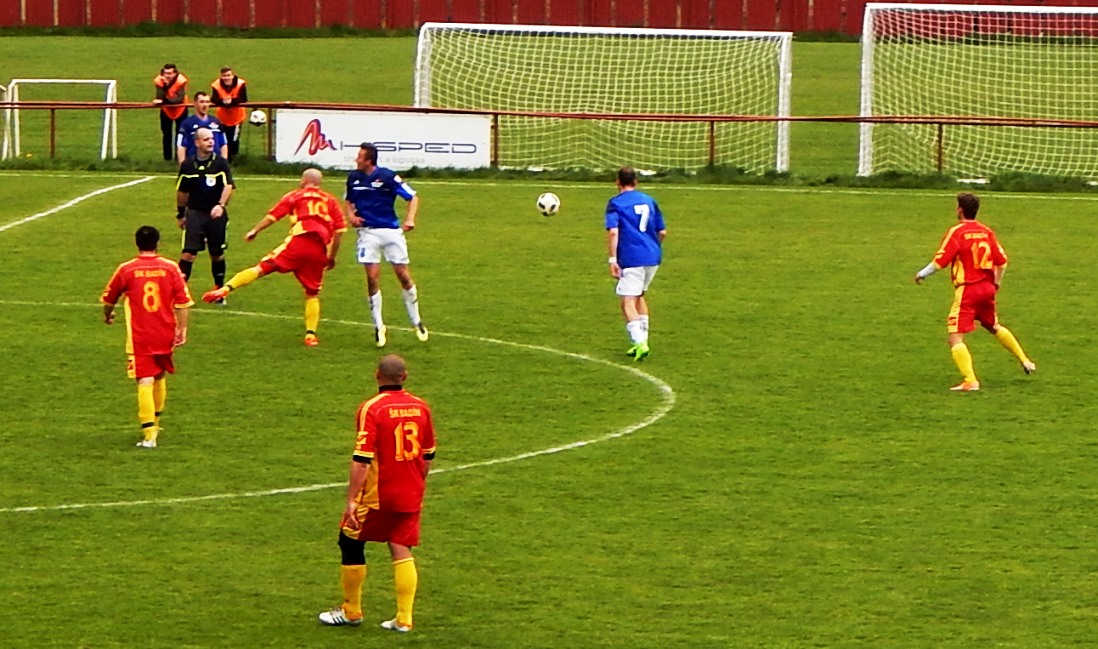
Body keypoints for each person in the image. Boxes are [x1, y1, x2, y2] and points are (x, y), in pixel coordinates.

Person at [318, 354, 436, 633]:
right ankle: (404, 618)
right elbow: (428, 454)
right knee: (400, 545)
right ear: (405, 376)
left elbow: (362, 459)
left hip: (378, 493)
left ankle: (351, 611)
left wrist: (351, 499)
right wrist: (416, 482)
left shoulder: (372, 408)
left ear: (376, 375)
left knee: (349, 541)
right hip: (411, 490)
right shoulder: (420, 406)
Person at [202, 169, 346, 347]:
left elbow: (273, 217)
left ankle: (225, 289)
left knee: (261, 268)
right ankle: (311, 335)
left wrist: (255, 230)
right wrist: (331, 257)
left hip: (299, 242)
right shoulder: (330, 200)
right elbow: (339, 231)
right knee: (312, 293)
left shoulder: (294, 196)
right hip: (319, 249)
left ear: (304, 180)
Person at [914, 192, 1036, 391]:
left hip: (968, 290)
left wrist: (922, 273)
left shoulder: (957, 232)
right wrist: (996, 284)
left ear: (960, 210)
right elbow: (1002, 262)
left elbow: (940, 261)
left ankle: (970, 380)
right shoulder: (986, 231)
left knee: (955, 336)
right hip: (987, 288)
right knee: (993, 325)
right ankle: (1025, 360)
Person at [101, 225, 193, 448]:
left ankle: (149, 435)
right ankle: (156, 424)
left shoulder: (126, 269)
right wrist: (182, 329)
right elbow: (183, 302)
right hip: (165, 332)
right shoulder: (170, 267)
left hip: (140, 336)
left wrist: (108, 315)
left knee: (144, 379)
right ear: (157, 243)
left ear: (136, 243)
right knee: (159, 375)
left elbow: (109, 298)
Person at [345, 143, 429, 348]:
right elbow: (348, 200)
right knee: (372, 278)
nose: (356, 160)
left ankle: (416, 320)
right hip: (367, 233)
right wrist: (351, 216)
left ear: (369, 161)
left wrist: (410, 219)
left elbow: (413, 197)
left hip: (391, 232)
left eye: (360, 157)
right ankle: (379, 325)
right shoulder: (353, 178)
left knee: (403, 276)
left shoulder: (388, 177)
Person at [606, 166, 666, 362]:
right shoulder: (649, 200)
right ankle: (642, 341)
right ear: (636, 181)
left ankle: (640, 342)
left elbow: (613, 232)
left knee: (627, 303)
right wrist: (653, 247)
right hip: (653, 257)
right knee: (639, 296)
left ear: (617, 182)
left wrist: (613, 259)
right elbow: (662, 232)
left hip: (632, 258)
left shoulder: (615, 203)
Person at [176, 127, 234, 299]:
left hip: (215, 215)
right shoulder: (187, 165)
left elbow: (228, 186)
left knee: (216, 254)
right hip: (194, 214)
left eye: (212, 139)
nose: (211, 142)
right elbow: (182, 192)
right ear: (197, 142)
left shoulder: (220, 163)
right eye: (206, 139)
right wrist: (181, 214)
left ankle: (219, 290)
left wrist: (220, 205)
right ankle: (179, 293)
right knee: (188, 254)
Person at [176, 92, 228, 164]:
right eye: (202, 102)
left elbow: (223, 144)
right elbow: (181, 146)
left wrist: (223, 163)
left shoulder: (216, 122)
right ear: (195, 103)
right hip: (194, 163)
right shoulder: (187, 124)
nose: (205, 105)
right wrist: (183, 165)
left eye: (207, 102)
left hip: (214, 163)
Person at [210, 66, 248, 161]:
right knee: (223, 138)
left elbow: (244, 98)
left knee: (234, 139)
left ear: (232, 75)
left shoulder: (240, 84)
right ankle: (224, 158)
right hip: (222, 117)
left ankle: (233, 158)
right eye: (224, 76)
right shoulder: (216, 85)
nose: (226, 78)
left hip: (237, 117)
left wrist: (232, 101)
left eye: (228, 75)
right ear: (221, 76)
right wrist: (223, 101)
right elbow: (213, 99)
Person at [153, 63, 189, 162]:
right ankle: (167, 159)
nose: (167, 76)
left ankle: (179, 158)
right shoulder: (159, 81)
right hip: (166, 110)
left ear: (175, 74)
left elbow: (179, 99)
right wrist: (165, 86)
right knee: (166, 134)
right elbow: (159, 96)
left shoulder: (181, 81)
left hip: (180, 109)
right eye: (165, 73)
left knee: (180, 134)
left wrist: (165, 101)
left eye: (170, 73)